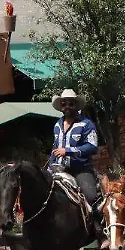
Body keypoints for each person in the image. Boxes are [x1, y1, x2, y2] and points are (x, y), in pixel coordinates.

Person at [48, 88, 102, 236]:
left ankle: (100, 232)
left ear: (76, 106)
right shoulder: (57, 125)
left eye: (70, 104)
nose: (67, 107)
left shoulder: (86, 124)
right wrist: (49, 168)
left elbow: (92, 146)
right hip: (59, 169)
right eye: (64, 104)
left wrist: (68, 150)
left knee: (91, 196)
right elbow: (55, 148)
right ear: (60, 106)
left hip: (81, 169)